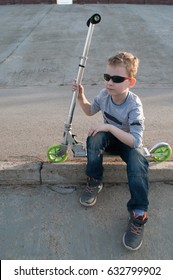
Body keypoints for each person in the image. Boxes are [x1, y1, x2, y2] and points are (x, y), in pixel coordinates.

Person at [72, 51, 149, 251]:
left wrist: (109, 127)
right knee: (94, 137)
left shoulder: (134, 104)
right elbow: (90, 110)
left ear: (130, 82)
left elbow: (135, 141)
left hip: (128, 141)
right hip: (110, 139)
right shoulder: (104, 95)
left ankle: (138, 213)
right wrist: (81, 96)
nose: (109, 82)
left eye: (116, 79)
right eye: (107, 77)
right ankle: (94, 181)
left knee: (138, 162)